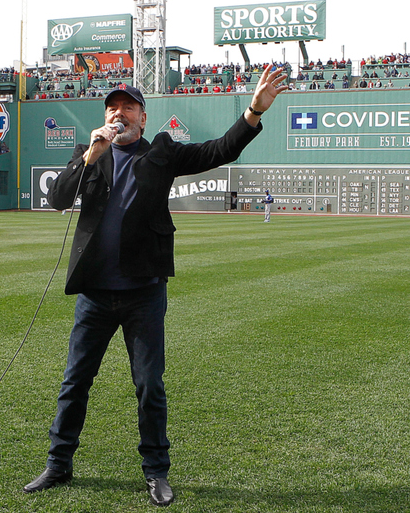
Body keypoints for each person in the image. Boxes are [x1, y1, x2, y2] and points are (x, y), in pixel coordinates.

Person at [24, 67, 288, 507]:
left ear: (143, 118)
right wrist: (90, 153)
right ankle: (58, 463)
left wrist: (253, 112)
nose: (119, 113)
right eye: (112, 107)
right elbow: (57, 199)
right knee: (75, 381)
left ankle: (156, 472)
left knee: (149, 384)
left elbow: (217, 151)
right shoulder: (90, 153)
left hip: (143, 291)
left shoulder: (161, 153)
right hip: (94, 293)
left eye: (128, 107)